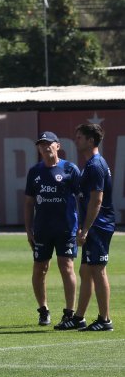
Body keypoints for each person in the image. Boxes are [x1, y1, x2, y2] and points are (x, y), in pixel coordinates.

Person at [56, 123, 115, 332]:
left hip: (99, 225)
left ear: (91, 140)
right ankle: (79, 317)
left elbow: (96, 201)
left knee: (98, 270)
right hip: (94, 225)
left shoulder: (96, 165)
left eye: (79, 137)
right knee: (85, 270)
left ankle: (104, 319)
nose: (76, 140)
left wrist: (86, 229)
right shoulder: (91, 164)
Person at [24, 131, 80, 327]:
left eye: (49, 143)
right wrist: (28, 228)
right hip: (42, 229)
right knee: (40, 268)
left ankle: (70, 312)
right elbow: (29, 202)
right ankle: (43, 310)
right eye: (41, 144)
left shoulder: (70, 169)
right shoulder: (35, 172)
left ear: (58, 146)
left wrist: (82, 227)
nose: (45, 147)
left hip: (66, 228)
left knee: (67, 266)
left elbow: (81, 198)